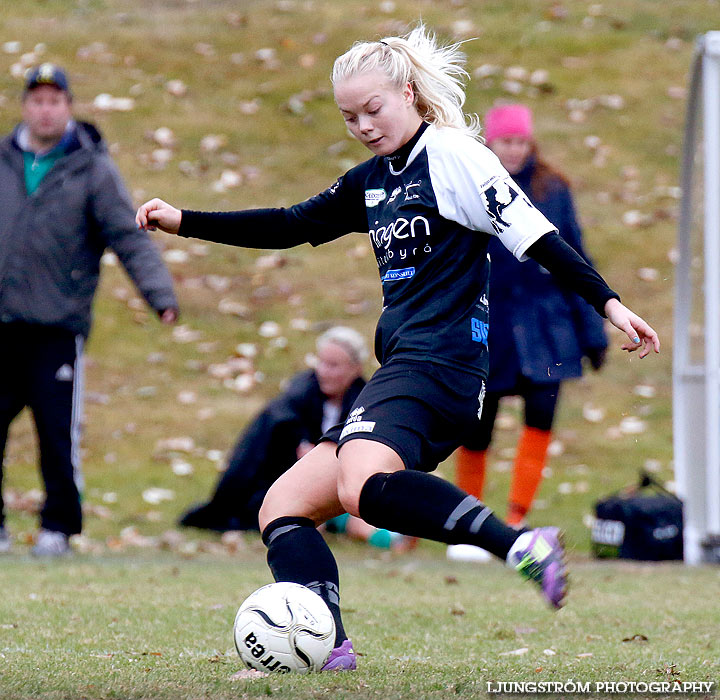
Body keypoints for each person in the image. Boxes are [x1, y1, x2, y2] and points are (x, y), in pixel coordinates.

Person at [137, 25, 659, 671]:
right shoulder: (373, 179)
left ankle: (521, 545)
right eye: (348, 116)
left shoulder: (455, 158)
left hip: (445, 364)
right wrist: (185, 221)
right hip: (406, 368)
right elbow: (291, 224)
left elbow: (537, 236)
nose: (361, 124)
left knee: (361, 485)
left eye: (373, 109)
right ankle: (330, 648)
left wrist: (610, 305)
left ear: (408, 92)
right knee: (284, 508)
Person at [0, 64, 179, 557]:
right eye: (36, 100)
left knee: (57, 432)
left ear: (68, 106)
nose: (45, 109)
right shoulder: (3, 159)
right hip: (2, 322)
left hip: (57, 327)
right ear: (25, 107)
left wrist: (159, 294)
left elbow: (128, 236)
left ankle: (58, 528)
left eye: (54, 101)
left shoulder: (91, 168)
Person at [447, 104, 609, 563]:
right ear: (490, 143)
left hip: (547, 325)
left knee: (542, 412)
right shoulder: (470, 185)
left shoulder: (553, 189)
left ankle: (517, 519)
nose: (515, 150)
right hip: (488, 325)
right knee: (477, 426)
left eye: (521, 142)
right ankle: (470, 525)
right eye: (506, 141)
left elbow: (575, 257)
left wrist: (592, 331)